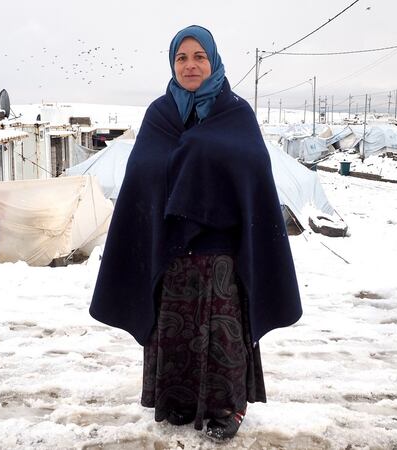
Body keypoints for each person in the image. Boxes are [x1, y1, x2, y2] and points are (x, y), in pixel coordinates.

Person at [89, 25, 302, 441]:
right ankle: (176, 400)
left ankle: (227, 408)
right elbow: (143, 172)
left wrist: (197, 159)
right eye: (182, 58)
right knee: (173, 328)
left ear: (214, 61)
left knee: (221, 330)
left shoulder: (236, 113)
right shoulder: (159, 114)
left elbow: (254, 171)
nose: (190, 65)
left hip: (221, 253)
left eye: (199, 57)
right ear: (173, 64)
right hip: (169, 252)